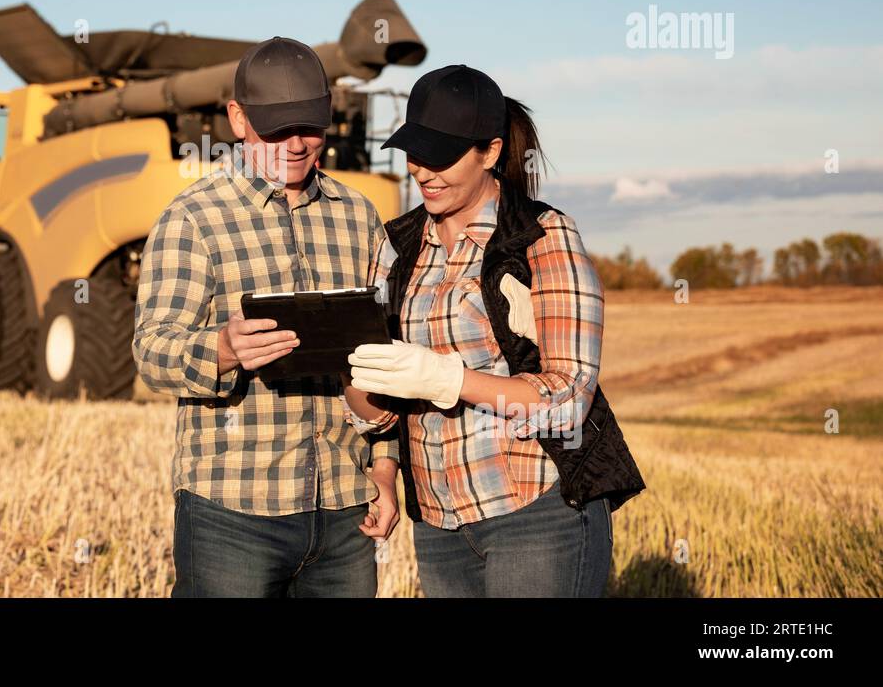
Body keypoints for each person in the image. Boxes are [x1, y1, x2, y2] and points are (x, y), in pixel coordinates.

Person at [344, 64, 645, 597]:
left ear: (492, 152)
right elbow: (382, 406)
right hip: (437, 522)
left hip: (535, 512)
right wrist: (347, 373)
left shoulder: (543, 237)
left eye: (444, 156)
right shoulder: (395, 245)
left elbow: (570, 398)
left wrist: (448, 380)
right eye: (415, 153)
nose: (423, 171)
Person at [134, 36, 401, 598]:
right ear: (237, 118)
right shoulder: (192, 218)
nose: (297, 144)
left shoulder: (359, 216)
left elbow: (385, 357)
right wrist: (223, 349)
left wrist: (384, 467)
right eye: (277, 128)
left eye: (310, 126)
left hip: (344, 513)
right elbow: (152, 353)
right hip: (232, 513)